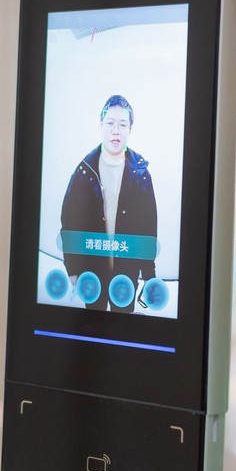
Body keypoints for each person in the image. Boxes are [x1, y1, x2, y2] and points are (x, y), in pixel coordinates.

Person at [58, 94, 158, 311]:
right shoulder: (84, 170)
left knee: (122, 330)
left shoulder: (141, 173)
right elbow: (69, 221)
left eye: (122, 124)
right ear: (101, 126)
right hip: (91, 270)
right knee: (92, 327)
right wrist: (73, 268)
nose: (116, 130)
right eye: (110, 123)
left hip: (127, 272)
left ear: (130, 129)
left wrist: (149, 276)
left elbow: (148, 226)